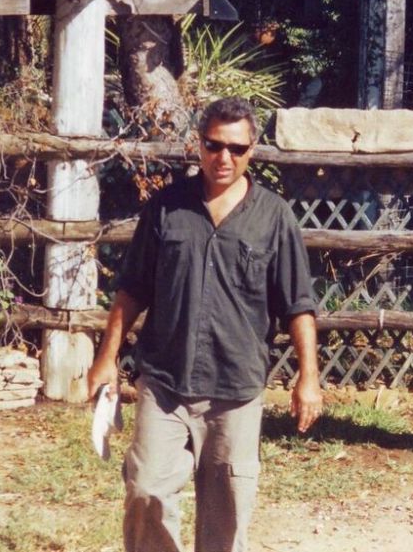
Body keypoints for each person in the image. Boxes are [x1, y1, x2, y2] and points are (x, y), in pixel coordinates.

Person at [87, 97, 323, 552]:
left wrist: (308, 379)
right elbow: (132, 288)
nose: (224, 157)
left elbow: (298, 305)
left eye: (236, 148)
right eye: (214, 145)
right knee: (146, 493)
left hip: (236, 389)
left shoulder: (274, 217)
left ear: (253, 149)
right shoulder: (166, 209)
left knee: (228, 515)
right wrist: (106, 358)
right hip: (165, 384)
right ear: (200, 145)